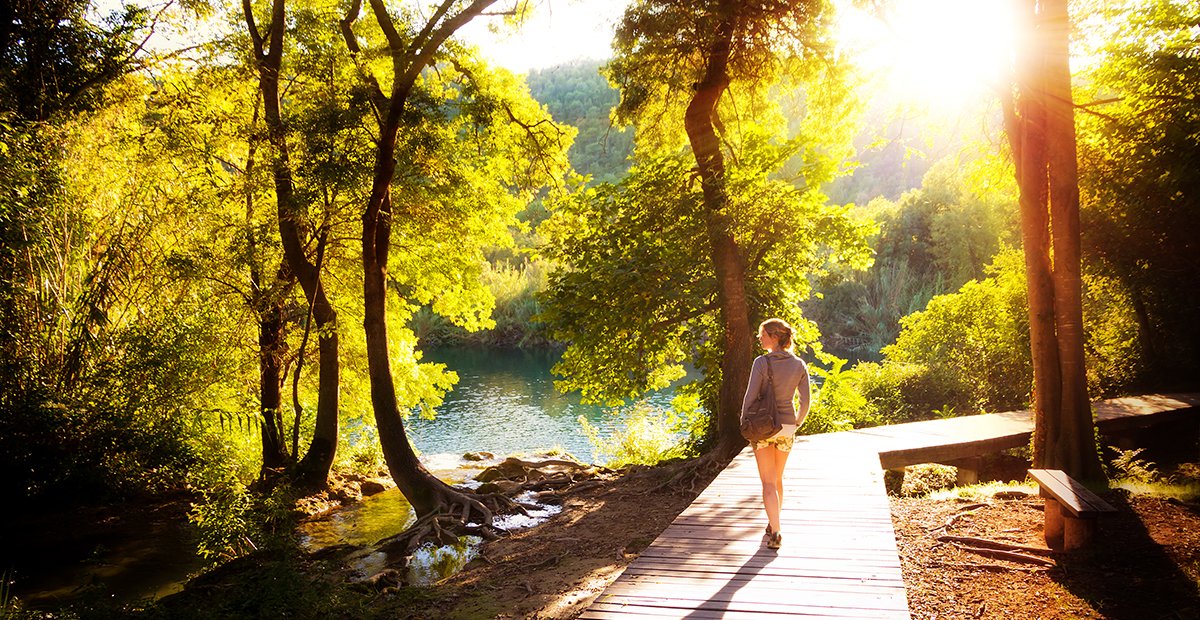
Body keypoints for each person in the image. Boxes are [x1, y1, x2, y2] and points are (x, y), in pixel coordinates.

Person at [741, 318, 811, 550]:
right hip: (787, 427)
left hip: (763, 427)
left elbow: (750, 397)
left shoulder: (761, 363)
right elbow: (805, 401)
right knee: (778, 479)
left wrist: (744, 421)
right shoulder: (799, 364)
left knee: (768, 483)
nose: (759, 338)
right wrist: (797, 423)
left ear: (773, 336)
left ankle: (777, 531)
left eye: (762, 334)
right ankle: (773, 524)